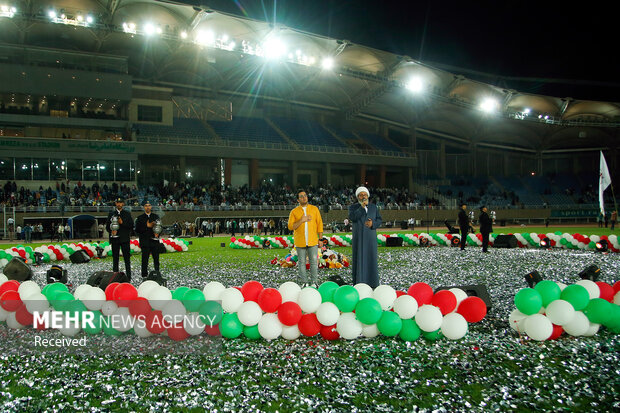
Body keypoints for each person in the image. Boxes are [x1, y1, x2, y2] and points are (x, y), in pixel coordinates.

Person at [288, 189, 323, 287]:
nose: (304, 197)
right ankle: (304, 282)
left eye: (305, 195)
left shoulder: (314, 209)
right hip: (300, 241)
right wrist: (301, 220)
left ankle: (314, 282)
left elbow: (319, 224)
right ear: (298, 200)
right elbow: (291, 227)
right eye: (301, 196)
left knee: (313, 262)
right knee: (302, 263)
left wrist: (320, 239)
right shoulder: (294, 212)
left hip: (312, 241)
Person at [349, 186, 382, 288]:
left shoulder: (373, 207)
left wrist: (373, 224)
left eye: (365, 194)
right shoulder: (353, 207)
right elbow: (353, 217)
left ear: (368, 195)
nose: (363, 196)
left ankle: (372, 283)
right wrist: (362, 207)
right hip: (359, 238)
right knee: (359, 259)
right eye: (361, 194)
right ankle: (359, 283)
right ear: (358, 196)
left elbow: (379, 220)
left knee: (371, 258)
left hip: (370, 238)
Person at [106, 197, 133, 279]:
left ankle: (128, 276)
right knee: (115, 259)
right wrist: (111, 231)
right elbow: (107, 226)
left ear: (123, 204)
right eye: (118, 203)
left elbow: (131, 226)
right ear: (115, 204)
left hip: (124, 239)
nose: (119, 204)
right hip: (115, 239)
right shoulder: (111, 214)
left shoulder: (127, 214)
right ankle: (115, 276)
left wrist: (122, 223)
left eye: (121, 202)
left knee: (127, 259)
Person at [135, 201, 161, 281]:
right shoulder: (140, 218)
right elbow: (137, 230)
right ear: (143, 207)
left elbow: (160, 227)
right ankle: (144, 275)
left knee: (156, 259)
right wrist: (147, 226)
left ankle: (157, 273)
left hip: (154, 241)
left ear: (151, 207)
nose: (147, 207)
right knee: (145, 259)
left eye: (149, 205)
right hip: (145, 242)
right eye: (146, 206)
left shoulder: (156, 217)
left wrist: (158, 234)